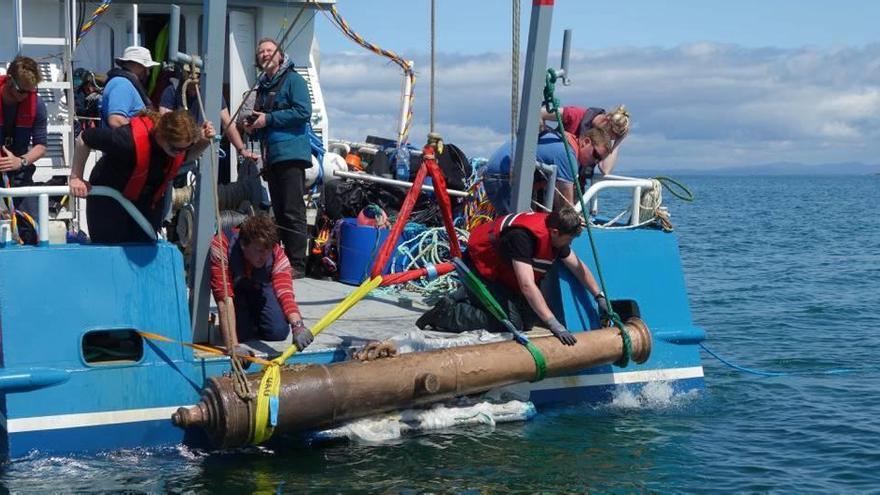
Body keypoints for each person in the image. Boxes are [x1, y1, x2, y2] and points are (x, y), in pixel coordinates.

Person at [417, 207, 609, 346]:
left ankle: (467, 297)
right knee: (511, 323)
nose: (569, 244)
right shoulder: (522, 237)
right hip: (480, 271)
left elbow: (577, 266)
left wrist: (598, 296)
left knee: (528, 320)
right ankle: (446, 314)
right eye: (569, 239)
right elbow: (527, 285)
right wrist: (554, 325)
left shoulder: (555, 235)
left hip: (504, 276)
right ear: (555, 232)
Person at [68, 109, 215, 243]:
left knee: (145, 245)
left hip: (144, 202)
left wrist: (204, 141)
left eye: (186, 148)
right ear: (161, 136)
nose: (180, 153)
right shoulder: (126, 140)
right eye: (176, 149)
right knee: (109, 248)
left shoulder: (177, 148)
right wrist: (76, 177)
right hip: (110, 199)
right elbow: (85, 138)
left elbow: (186, 156)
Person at [244, 38, 313, 278]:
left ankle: (297, 264)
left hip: (291, 154)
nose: (265, 54)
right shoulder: (263, 86)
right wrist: (254, 125)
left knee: (293, 210)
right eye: (261, 51)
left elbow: (304, 112)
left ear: (280, 56)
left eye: (269, 50)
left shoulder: (294, 80)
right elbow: (266, 119)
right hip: (272, 155)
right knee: (280, 210)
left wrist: (268, 120)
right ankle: (284, 260)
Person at [209, 214, 312, 351]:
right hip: (235, 290)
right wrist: (233, 347)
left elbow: (285, 293)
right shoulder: (221, 246)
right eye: (259, 251)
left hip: (260, 287)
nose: (265, 256)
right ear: (244, 244)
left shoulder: (277, 255)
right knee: (239, 334)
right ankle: (247, 318)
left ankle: (255, 317)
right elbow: (224, 299)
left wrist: (298, 326)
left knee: (278, 332)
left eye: (268, 250)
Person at [482, 127, 610, 215]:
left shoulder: (564, 140)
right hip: (502, 178)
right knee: (514, 226)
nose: (595, 162)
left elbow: (557, 197)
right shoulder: (567, 155)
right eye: (596, 155)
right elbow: (566, 204)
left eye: (599, 160)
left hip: (497, 174)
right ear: (586, 142)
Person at [158, 64, 259, 162]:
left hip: (196, 152)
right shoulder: (172, 91)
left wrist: (242, 150)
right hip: (173, 154)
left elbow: (227, 124)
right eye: (188, 73)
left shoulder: (213, 93)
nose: (193, 76)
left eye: (198, 74)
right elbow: (165, 127)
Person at [0, 56, 48, 216]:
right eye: (22, 91)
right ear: (9, 79)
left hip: (19, 172)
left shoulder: (38, 106)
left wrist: (21, 161)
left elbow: (41, 146)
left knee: (33, 230)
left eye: (31, 91)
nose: (26, 96)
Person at [541, 104, 630, 175]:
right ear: (606, 120)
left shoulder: (603, 142)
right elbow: (541, 113)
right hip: (550, 174)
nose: (607, 139)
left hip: (574, 183)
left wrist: (618, 141)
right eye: (609, 135)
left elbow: (604, 169)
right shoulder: (576, 114)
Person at [102, 46, 159, 128]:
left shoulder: (125, 84)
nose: (148, 73)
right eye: (146, 67)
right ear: (135, 64)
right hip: (122, 140)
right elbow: (116, 120)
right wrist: (140, 132)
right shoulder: (122, 84)